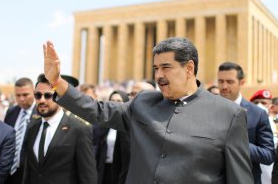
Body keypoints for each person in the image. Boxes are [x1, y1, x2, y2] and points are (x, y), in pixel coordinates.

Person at [43, 37, 254, 183]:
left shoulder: (229, 114)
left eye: (166, 67)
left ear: (189, 68)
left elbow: (239, 178)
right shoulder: (143, 102)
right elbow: (97, 110)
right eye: (156, 68)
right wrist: (56, 81)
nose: (159, 75)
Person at [22, 74, 97, 184]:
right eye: (38, 95)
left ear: (61, 98)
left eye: (48, 95)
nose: (42, 100)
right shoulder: (32, 127)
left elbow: (88, 176)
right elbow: (28, 171)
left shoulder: (79, 130)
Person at [217, 62, 275, 184]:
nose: (224, 86)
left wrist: (239, 143)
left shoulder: (257, 114)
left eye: (230, 81)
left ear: (241, 83)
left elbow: (268, 155)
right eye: (221, 81)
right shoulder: (207, 110)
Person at [4, 77, 38, 184]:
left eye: (25, 95)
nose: (21, 99)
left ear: (34, 92)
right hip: (9, 173)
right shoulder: (11, 112)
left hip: (30, 174)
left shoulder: (41, 113)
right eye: (18, 95)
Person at [94, 90, 130, 184]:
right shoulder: (103, 125)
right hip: (105, 168)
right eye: (112, 100)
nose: (115, 103)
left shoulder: (129, 126)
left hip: (121, 171)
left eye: (118, 100)